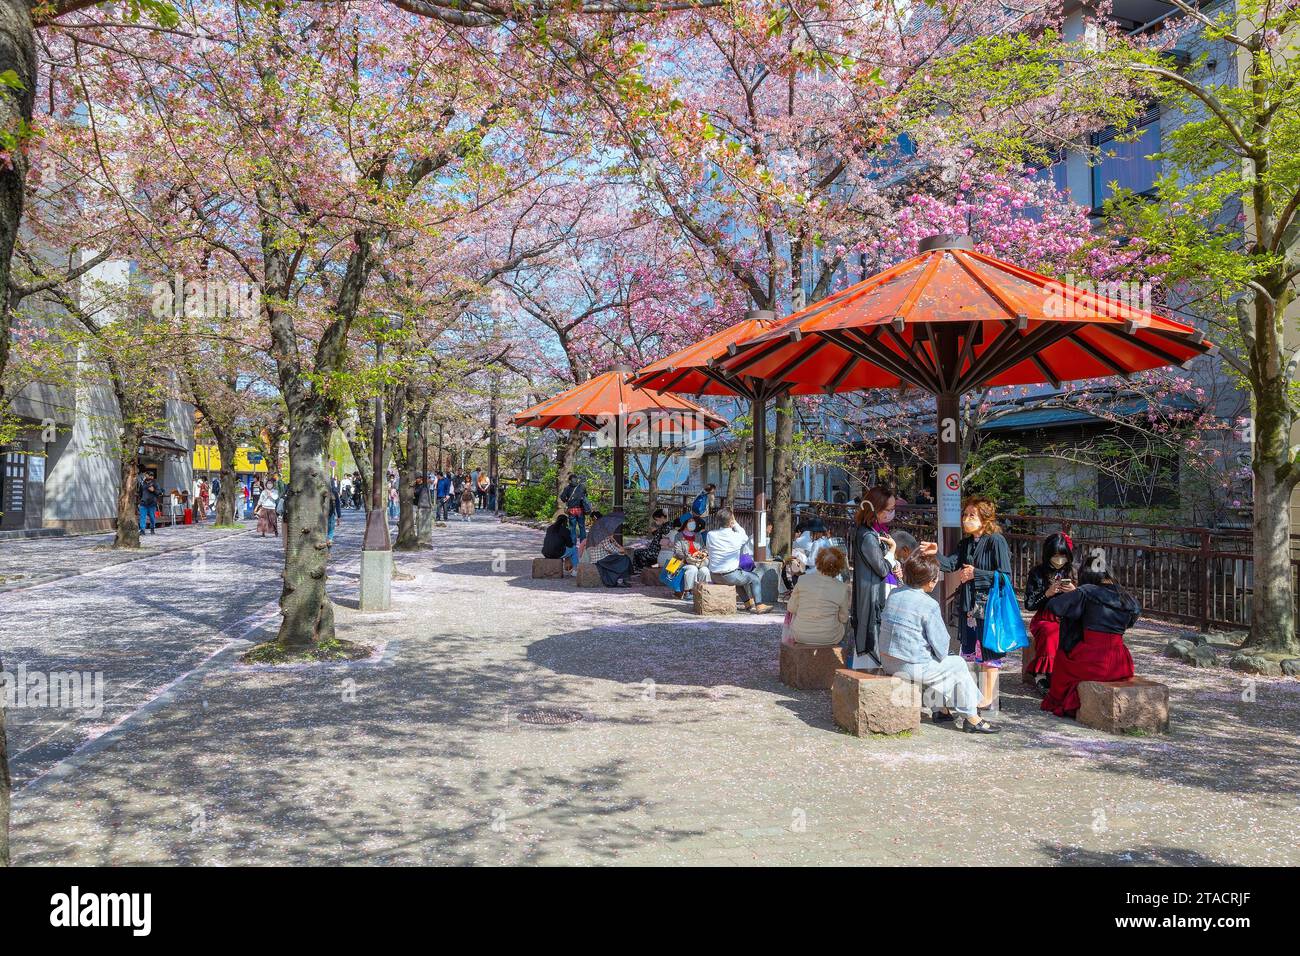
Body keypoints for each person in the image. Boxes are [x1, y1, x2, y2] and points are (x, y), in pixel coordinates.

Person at [878, 553, 997, 734]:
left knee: (938, 662)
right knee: (955, 663)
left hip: (888, 660)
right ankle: (972, 716)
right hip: (910, 666)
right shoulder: (928, 604)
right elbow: (941, 644)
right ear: (930, 581)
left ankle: (940, 709)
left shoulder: (894, 594)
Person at [923, 495, 1012, 710]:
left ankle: (988, 698)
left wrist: (976, 573)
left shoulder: (996, 540)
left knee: (989, 651)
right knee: (972, 651)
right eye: (965, 515)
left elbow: (1005, 575)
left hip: (988, 605)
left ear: (985, 518)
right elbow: (952, 563)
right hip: (970, 605)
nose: (966, 519)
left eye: (972, 515)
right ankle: (977, 695)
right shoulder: (966, 543)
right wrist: (936, 555)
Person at [1041, 548, 1140, 719]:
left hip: (1092, 659)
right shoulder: (1126, 596)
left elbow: (1055, 607)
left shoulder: (1086, 591)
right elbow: (1131, 619)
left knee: (1063, 661)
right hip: (1121, 662)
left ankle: (1059, 699)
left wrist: (1075, 596)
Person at [850, 485, 902, 669]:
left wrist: (894, 563)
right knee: (872, 637)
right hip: (872, 597)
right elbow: (881, 568)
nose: (892, 513)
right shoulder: (867, 535)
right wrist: (893, 551)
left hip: (878, 592)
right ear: (876, 508)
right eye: (889, 509)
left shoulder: (875, 532)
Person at [1023, 532, 1076, 694]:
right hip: (1046, 618)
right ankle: (1043, 674)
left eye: (1062, 556)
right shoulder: (1037, 573)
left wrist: (1076, 592)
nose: (1059, 559)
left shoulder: (1074, 572)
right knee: (1051, 632)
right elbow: (1029, 604)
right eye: (1055, 555)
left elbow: (1087, 600)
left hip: (1069, 618)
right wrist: (1047, 593)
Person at [704, 507, 771, 614]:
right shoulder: (737, 536)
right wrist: (734, 523)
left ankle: (748, 603)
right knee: (754, 578)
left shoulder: (710, 535)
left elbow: (708, 548)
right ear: (731, 522)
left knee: (739, 577)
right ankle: (759, 605)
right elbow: (744, 536)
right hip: (730, 576)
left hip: (714, 575)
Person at [786, 547, 852, 646]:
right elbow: (843, 618)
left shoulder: (803, 580)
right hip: (830, 637)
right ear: (839, 567)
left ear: (818, 562)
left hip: (800, 634)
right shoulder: (842, 588)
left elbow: (791, 608)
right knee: (845, 623)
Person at [669, 514, 709, 599]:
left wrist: (704, 553)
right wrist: (688, 557)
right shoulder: (678, 535)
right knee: (692, 569)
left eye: (693, 521)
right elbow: (677, 551)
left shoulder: (698, 535)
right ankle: (688, 592)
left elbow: (703, 548)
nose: (693, 523)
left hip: (698, 561)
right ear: (685, 523)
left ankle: (704, 592)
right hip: (684, 561)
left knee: (705, 570)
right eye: (690, 521)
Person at [542, 511, 579, 575]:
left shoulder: (550, 528)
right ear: (565, 522)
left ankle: (568, 567)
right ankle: (576, 570)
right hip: (557, 553)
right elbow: (570, 545)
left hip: (545, 552)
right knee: (574, 549)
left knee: (563, 549)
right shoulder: (565, 530)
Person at [559, 475, 590, 545]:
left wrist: (567, 500)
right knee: (582, 527)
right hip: (580, 510)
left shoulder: (567, 488)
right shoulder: (582, 487)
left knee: (572, 528)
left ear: (570, 480)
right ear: (576, 480)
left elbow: (562, 497)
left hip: (572, 510)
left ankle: (573, 543)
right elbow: (586, 496)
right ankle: (583, 544)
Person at [327, 476, 343, 546]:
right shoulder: (335, 492)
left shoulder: (320, 491)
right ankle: (329, 539)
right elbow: (338, 505)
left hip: (321, 514)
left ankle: (326, 539)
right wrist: (339, 516)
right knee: (331, 528)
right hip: (331, 512)